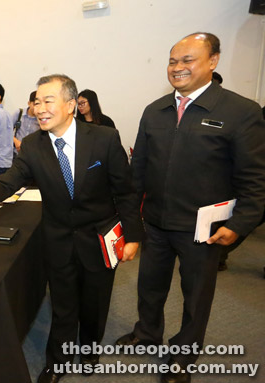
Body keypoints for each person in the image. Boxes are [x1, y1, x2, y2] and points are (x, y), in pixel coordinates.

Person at [0, 74, 144, 383]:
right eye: (37, 102)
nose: (39, 108)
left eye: (47, 101)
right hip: (58, 240)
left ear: (70, 105)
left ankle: (90, 350)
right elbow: (10, 181)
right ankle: (59, 361)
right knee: (64, 306)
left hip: (99, 240)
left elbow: (125, 191)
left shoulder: (104, 138)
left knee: (95, 302)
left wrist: (133, 236)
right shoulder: (32, 145)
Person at [116, 33, 265, 383]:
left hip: (204, 229)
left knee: (196, 297)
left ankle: (183, 356)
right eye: (172, 60)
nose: (177, 67)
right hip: (154, 222)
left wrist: (241, 223)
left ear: (213, 61)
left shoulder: (241, 112)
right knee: (149, 286)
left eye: (188, 60)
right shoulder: (154, 111)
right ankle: (147, 332)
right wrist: (131, 215)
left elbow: (255, 177)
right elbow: (138, 170)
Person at [12, 90, 40, 157]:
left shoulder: (41, 119)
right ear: (29, 103)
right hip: (16, 153)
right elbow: (7, 131)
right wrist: (16, 141)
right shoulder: (19, 113)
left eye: (38, 105)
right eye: (35, 104)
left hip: (31, 155)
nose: (36, 108)